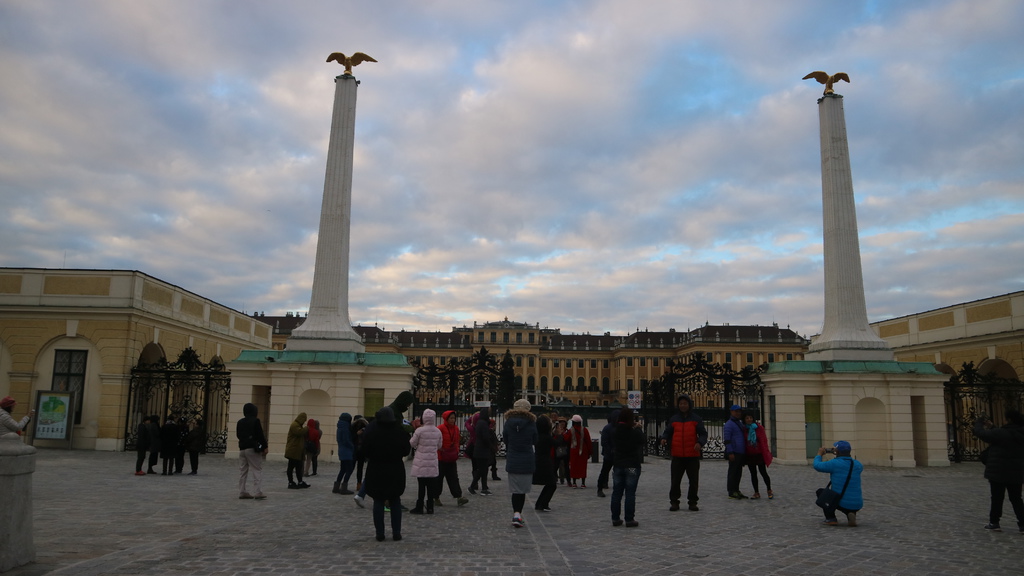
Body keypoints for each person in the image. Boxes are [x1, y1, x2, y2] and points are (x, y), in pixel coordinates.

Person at [362, 406, 411, 542]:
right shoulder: (399, 431)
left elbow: (364, 450)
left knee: (378, 500)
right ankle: (396, 532)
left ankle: (380, 533)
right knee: (395, 500)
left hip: (376, 469)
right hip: (395, 469)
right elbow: (406, 450)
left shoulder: (373, 432)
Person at [972, 410, 1024, 533]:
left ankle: (994, 522)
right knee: (1016, 498)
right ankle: (1023, 524)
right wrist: (993, 427)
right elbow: (1008, 437)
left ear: (1009, 420)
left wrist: (979, 423)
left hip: (998, 471)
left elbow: (981, 433)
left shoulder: (1000, 433)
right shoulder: (1020, 433)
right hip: (1016, 471)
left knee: (997, 497)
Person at [660, 393, 707, 511]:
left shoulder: (696, 419)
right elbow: (668, 431)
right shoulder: (674, 419)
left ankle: (692, 502)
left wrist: (700, 443)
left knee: (693, 481)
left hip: (692, 455)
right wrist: (664, 438)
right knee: (675, 480)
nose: (683, 406)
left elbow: (703, 434)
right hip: (677, 455)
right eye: (681, 403)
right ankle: (674, 501)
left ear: (689, 404)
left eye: (685, 403)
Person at [504, 399, 538, 528]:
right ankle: (518, 515)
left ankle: (516, 514)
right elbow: (535, 440)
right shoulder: (531, 423)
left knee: (515, 490)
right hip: (527, 459)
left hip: (513, 458)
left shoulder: (508, 423)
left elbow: (505, 439)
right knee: (522, 490)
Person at [813, 440, 863, 526]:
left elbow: (817, 465)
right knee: (848, 497)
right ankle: (851, 513)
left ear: (837, 451)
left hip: (841, 502)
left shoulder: (835, 463)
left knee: (821, 492)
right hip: (857, 504)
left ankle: (831, 518)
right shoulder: (858, 464)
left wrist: (819, 454)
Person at [610, 407, 645, 527]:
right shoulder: (633, 431)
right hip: (632, 465)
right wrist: (638, 428)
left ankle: (615, 518)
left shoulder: (615, 431)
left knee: (617, 492)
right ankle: (629, 519)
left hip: (618, 464)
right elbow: (642, 441)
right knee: (630, 493)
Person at [409, 409, 443, 514]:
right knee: (431, 486)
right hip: (432, 461)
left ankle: (419, 506)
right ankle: (430, 507)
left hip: (421, 461)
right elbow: (440, 446)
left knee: (421, 486)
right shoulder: (438, 431)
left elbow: (412, 443)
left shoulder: (419, 431)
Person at [437, 409, 469, 506]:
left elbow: (457, 441)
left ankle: (459, 497)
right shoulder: (440, 428)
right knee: (438, 479)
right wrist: (440, 449)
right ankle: (435, 497)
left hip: (451, 457)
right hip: (441, 457)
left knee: (454, 478)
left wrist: (456, 450)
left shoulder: (455, 428)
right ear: (446, 418)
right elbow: (437, 441)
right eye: (451, 418)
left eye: (454, 418)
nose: (453, 420)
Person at [236, 402, 268, 500]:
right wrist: (265, 446)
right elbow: (260, 435)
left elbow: (238, 435)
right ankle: (258, 491)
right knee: (256, 469)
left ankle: (242, 491)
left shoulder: (240, 422)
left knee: (243, 471)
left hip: (242, 448)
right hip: (252, 448)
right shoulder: (255, 421)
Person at [744, 413, 773, 499]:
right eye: (747, 418)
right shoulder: (744, 429)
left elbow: (763, 440)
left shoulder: (759, 428)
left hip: (759, 454)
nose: (749, 419)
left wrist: (766, 452)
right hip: (750, 454)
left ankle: (769, 490)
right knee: (753, 474)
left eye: (750, 417)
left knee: (763, 472)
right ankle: (756, 492)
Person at [533, 414, 558, 512]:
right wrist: (559, 435)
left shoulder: (538, 435)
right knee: (552, 484)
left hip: (539, 460)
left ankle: (540, 503)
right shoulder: (546, 437)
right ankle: (542, 504)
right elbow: (557, 443)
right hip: (545, 462)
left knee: (550, 484)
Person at [723, 404, 747, 499]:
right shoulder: (729, 424)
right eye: (736, 411)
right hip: (734, 451)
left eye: (739, 411)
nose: (738, 413)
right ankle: (731, 491)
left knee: (738, 472)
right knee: (733, 472)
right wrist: (730, 452)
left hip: (740, 451)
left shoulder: (739, 423)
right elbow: (727, 440)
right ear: (731, 412)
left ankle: (736, 489)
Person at [469, 407, 494, 496]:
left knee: (483, 469)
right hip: (482, 449)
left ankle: (483, 487)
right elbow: (485, 438)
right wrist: (490, 446)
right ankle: (477, 487)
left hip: (479, 449)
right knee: (482, 470)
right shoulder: (483, 424)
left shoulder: (480, 422)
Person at [597, 409, 620, 498]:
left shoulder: (620, 427)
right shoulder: (607, 428)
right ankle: (600, 488)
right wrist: (610, 450)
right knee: (604, 472)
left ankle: (619, 488)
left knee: (618, 473)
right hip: (609, 455)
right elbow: (604, 442)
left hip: (618, 455)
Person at [566, 414, 592, 488]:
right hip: (583, 451)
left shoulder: (571, 430)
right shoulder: (585, 430)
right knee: (583, 467)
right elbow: (588, 442)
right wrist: (590, 452)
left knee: (574, 466)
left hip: (573, 451)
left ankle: (574, 482)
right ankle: (583, 483)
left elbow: (567, 439)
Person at [285, 412, 310, 489]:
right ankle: (290, 482)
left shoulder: (299, 426)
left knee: (299, 467)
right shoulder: (294, 425)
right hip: (293, 450)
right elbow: (299, 432)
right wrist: (307, 428)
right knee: (291, 467)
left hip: (298, 451)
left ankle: (300, 481)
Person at [333, 413, 356, 495]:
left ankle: (336, 486)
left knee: (342, 469)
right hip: (347, 452)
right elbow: (347, 441)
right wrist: (352, 446)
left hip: (341, 450)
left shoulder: (339, 428)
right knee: (349, 469)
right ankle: (344, 487)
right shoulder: (346, 428)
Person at [552, 418, 570, 485]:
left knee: (566, 466)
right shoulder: (554, 431)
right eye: (561, 422)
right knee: (555, 465)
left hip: (565, 450)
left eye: (563, 422)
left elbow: (567, 439)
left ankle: (567, 480)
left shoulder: (567, 431)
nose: (562, 424)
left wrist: (561, 435)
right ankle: (554, 478)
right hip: (557, 450)